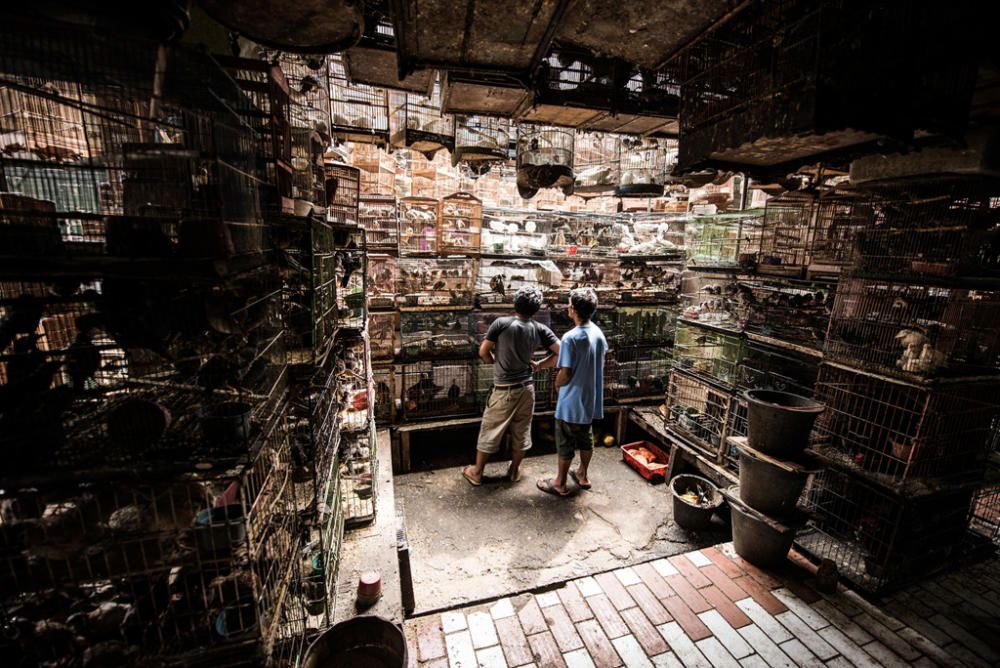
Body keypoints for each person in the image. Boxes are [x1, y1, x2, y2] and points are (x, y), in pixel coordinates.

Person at [463, 286, 560, 486]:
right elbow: (561, 351)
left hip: (504, 390)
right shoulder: (539, 328)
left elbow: (483, 351)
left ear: (515, 304)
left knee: (490, 429)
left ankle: (477, 472)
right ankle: (514, 471)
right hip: (527, 389)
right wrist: (540, 365)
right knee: (522, 431)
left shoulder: (501, 323)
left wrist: (492, 360)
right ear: (536, 308)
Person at [538, 287, 607, 497]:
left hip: (571, 400)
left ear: (573, 309)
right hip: (589, 398)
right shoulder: (598, 334)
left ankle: (559, 483)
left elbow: (565, 372)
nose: (568, 306)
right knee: (586, 437)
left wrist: (558, 385)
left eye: (569, 303)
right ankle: (583, 474)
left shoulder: (570, 337)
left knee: (565, 440)